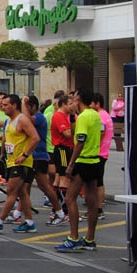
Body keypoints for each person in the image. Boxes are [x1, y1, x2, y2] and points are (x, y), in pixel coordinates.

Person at [55, 88, 103, 252]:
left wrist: (70, 164)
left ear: (80, 99)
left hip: (83, 161)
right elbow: (100, 133)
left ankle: (73, 237)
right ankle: (90, 238)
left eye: (74, 99)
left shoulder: (83, 117)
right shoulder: (95, 114)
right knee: (92, 201)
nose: (72, 102)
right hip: (95, 160)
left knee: (70, 198)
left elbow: (80, 141)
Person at [0, 94, 40, 233]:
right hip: (10, 161)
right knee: (22, 193)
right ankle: (29, 222)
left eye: (6, 105)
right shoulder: (9, 121)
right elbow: (5, 138)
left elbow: (35, 138)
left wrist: (25, 155)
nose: (3, 107)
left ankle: (0, 221)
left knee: (11, 191)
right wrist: (3, 153)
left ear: (14, 105)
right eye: (2, 105)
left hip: (21, 162)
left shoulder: (22, 120)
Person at [24, 95, 64, 227]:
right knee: (25, 187)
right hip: (32, 156)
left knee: (44, 186)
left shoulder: (40, 117)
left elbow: (28, 120)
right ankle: (21, 215)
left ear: (33, 107)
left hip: (39, 156)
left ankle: (60, 212)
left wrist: (23, 103)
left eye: (28, 107)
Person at [49, 93, 75, 225]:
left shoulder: (65, 115)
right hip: (63, 149)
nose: (72, 106)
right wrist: (75, 126)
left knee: (58, 179)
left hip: (65, 149)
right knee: (65, 178)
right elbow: (67, 133)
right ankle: (64, 210)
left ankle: (56, 208)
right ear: (63, 104)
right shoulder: (59, 116)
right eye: (70, 104)